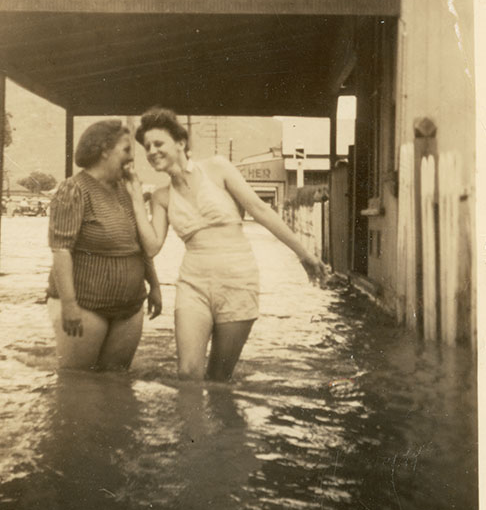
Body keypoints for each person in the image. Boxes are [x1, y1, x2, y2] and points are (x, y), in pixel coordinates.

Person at [125, 107, 327, 382]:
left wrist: (305, 256)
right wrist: (137, 198)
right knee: (187, 372)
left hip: (238, 280)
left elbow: (261, 210)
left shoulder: (218, 168)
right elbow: (152, 247)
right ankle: (191, 425)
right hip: (193, 284)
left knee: (219, 377)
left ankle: (223, 425)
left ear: (180, 142)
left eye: (158, 143)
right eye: (147, 147)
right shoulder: (161, 196)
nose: (151, 151)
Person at [47, 119, 162, 371]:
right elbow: (61, 250)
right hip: (85, 305)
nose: (132, 158)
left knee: (117, 383)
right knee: (78, 383)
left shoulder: (127, 190)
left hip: (130, 306)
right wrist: (69, 305)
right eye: (126, 150)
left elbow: (141, 245)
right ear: (104, 150)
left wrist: (154, 285)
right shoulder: (73, 189)